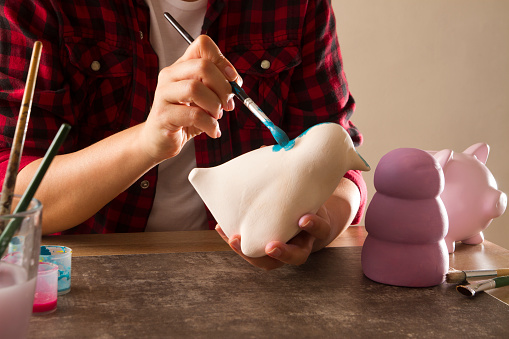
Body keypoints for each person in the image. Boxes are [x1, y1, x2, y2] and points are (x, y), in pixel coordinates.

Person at [0, 0, 366, 270]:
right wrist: (147, 142)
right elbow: (13, 195)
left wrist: (322, 224)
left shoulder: (298, 6)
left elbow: (342, 165)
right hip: (83, 275)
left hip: (254, 279)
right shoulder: (36, 5)